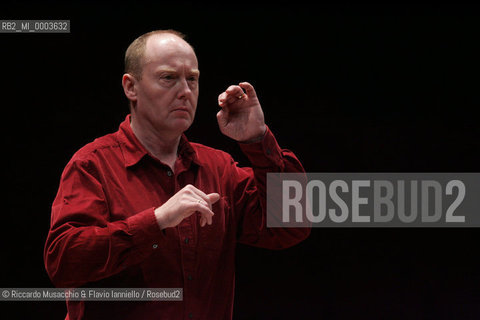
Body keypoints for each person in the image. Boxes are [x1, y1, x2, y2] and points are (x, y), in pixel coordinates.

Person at [44, 29, 310, 320]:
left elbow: (292, 226)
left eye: (192, 78)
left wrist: (257, 139)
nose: (185, 90)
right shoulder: (92, 165)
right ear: (131, 87)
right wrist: (157, 220)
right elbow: (64, 262)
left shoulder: (219, 168)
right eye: (168, 78)